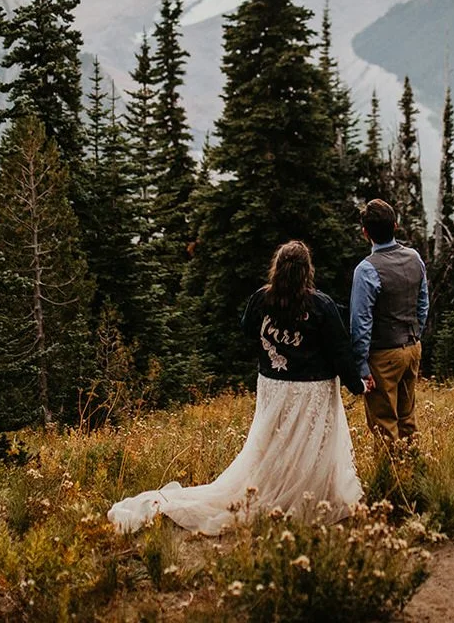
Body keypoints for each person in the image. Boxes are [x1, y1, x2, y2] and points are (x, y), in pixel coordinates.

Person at [107, 240, 366, 534]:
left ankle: (276, 487)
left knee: (273, 441)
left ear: (277, 269)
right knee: (311, 444)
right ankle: (310, 495)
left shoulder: (262, 299)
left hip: (274, 386)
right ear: (307, 271)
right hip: (311, 388)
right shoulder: (320, 305)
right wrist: (356, 385)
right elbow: (340, 350)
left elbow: (247, 329)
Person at [350, 199, 429, 442]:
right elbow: (423, 304)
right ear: (395, 225)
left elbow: (360, 323)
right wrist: (414, 336)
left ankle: (392, 477)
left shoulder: (366, 270)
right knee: (407, 417)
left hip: (383, 355)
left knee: (384, 423)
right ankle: (414, 472)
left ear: (365, 232)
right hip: (412, 348)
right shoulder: (414, 258)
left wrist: (362, 367)